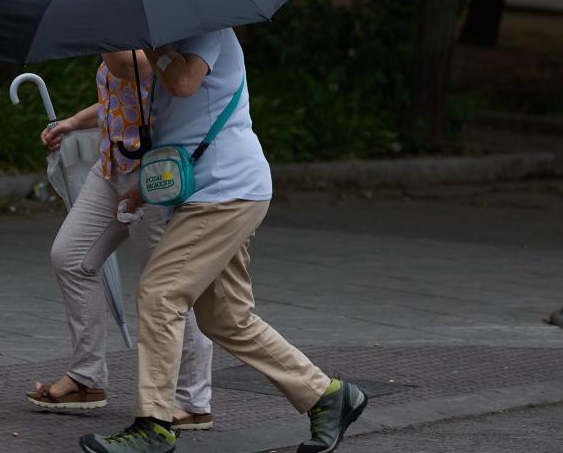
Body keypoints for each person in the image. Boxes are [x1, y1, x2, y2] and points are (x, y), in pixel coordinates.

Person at [79, 28, 368, 453]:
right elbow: (182, 131)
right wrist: (139, 188)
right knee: (226, 318)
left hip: (225, 191)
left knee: (160, 294)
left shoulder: (210, 31)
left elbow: (184, 82)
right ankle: (328, 396)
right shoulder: (172, 44)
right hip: (213, 191)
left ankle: (154, 426)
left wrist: (155, 50)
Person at [26, 0, 215, 431]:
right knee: (71, 257)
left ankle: (194, 399)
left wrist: (94, 18)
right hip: (110, 169)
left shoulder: (153, 32)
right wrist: (72, 122)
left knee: (167, 288)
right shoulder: (116, 26)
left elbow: (124, 68)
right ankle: (88, 375)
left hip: (152, 177)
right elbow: (114, 94)